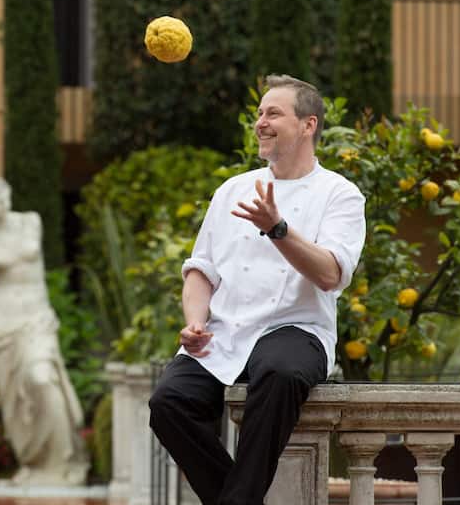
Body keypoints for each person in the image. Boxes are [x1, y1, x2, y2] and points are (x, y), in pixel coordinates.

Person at [148, 74, 366, 505]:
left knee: (280, 372)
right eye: (259, 113)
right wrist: (195, 321)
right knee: (168, 403)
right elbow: (200, 271)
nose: (260, 122)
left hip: (297, 329)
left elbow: (330, 273)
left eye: (273, 113)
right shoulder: (232, 189)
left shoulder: (339, 194)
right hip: (225, 331)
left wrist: (278, 229)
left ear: (309, 125)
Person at [0, 177, 89, 486]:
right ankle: (31, 462)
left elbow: (30, 250)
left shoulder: (29, 221)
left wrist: (3, 258)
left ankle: (65, 460)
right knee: (12, 400)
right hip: (0, 321)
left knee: (41, 377)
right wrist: (9, 257)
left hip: (35, 315)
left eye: (6, 198)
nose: (4, 206)